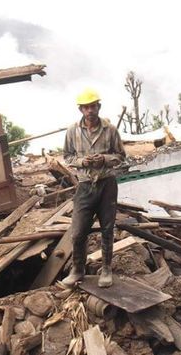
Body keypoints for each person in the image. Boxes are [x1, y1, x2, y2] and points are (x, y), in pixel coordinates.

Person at [62, 88, 126, 288]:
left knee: (107, 229)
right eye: (86, 107)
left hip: (107, 185)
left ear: (99, 106)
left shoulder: (110, 130)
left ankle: (106, 269)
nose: (90, 110)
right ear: (81, 109)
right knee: (78, 231)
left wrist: (105, 160)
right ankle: (77, 269)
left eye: (93, 106)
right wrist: (83, 162)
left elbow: (121, 156)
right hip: (85, 186)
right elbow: (67, 157)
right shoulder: (72, 131)